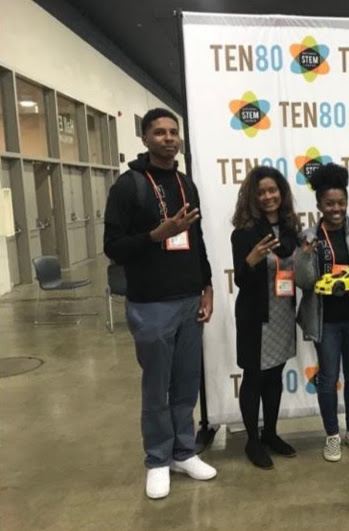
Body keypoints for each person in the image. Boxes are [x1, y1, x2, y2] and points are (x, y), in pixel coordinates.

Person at [104, 108, 216, 499]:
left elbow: (197, 240)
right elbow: (112, 248)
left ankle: (183, 452)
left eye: (173, 132)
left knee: (186, 384)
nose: (168, 138)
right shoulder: (128, 186)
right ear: (144, 138)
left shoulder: (186, 183)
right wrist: (156, 234)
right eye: (159, 132)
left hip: (189, 299)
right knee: (157, 388)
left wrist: (207, 286)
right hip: (150, 304)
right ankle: (156, 459)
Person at [295, 163, 349, 461]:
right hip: (325, 320)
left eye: (341, 202)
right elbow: (304, 283)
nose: (336, 208)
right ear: (319, 205)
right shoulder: (309, 237)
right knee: (328, 378)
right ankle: (331, 435)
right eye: (329, 203)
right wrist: (304, 255)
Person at [230, 166, 300, 469]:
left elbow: (298, 269)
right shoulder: (243, 233)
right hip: (256, 317)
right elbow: (241, 281)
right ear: (252, 197)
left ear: (281, 193)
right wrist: (250, 260)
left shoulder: (290, 230)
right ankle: (252, 441)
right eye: (261, 192)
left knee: (275, 376)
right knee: (254, 378)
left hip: (283, 313)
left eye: (273, 190)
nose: (268, 196)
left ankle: (270, 433)